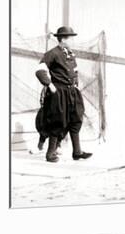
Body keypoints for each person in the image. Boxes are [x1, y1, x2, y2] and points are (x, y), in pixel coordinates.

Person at [34, 26, 93, 163]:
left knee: (76, 118)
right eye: (71, 38)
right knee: (58, 121)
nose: (73, 41)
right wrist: (49, 84)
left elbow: (75, 72)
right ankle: (50, 154)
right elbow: (40, 70)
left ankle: (77, 152)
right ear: (64, 39)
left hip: (73, 92)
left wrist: (76, 86)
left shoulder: (70, 54)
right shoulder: (53, 53)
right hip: (59, 93)